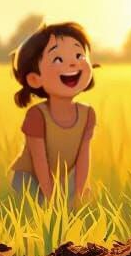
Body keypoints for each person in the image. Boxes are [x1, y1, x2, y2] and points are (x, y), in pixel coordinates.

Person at [8, 22, 96, 207]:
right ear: (34, 79)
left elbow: (83, 157)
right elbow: (39, 160)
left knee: (82, 201)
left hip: (62, 177)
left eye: (79, 55)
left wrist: (79, 192)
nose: (73, 62)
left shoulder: (87, 114)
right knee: (36, 211)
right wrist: (51, 198)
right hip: (29, 178)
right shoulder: (37, 115)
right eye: (58, 59)